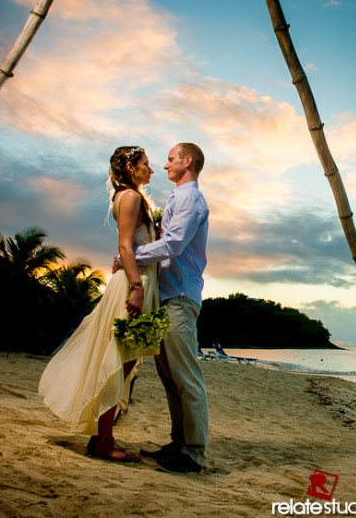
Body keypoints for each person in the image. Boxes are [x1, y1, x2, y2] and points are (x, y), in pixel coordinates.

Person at [39, 146, 159, 462]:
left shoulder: (127, 196)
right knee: (119, 363)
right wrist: (136, 287)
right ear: (131, 166)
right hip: (135, 283)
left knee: (122, 361)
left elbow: (129, 245)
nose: (152, 170)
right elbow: (124, 244)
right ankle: (103, 441)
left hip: (138, 279)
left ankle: (102, 437)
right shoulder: (131, 198)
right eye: (147, 164)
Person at [129, 142, 209, 474]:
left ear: (187, 162)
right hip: (166, 296)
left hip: (179, 296)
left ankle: (193, 452)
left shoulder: (191, 198)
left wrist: (131, 257)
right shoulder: (179, 197)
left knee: (186, 375)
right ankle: (178, 442)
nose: (166, 165)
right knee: (169, 375)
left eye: (171, 159)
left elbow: (174, 244)